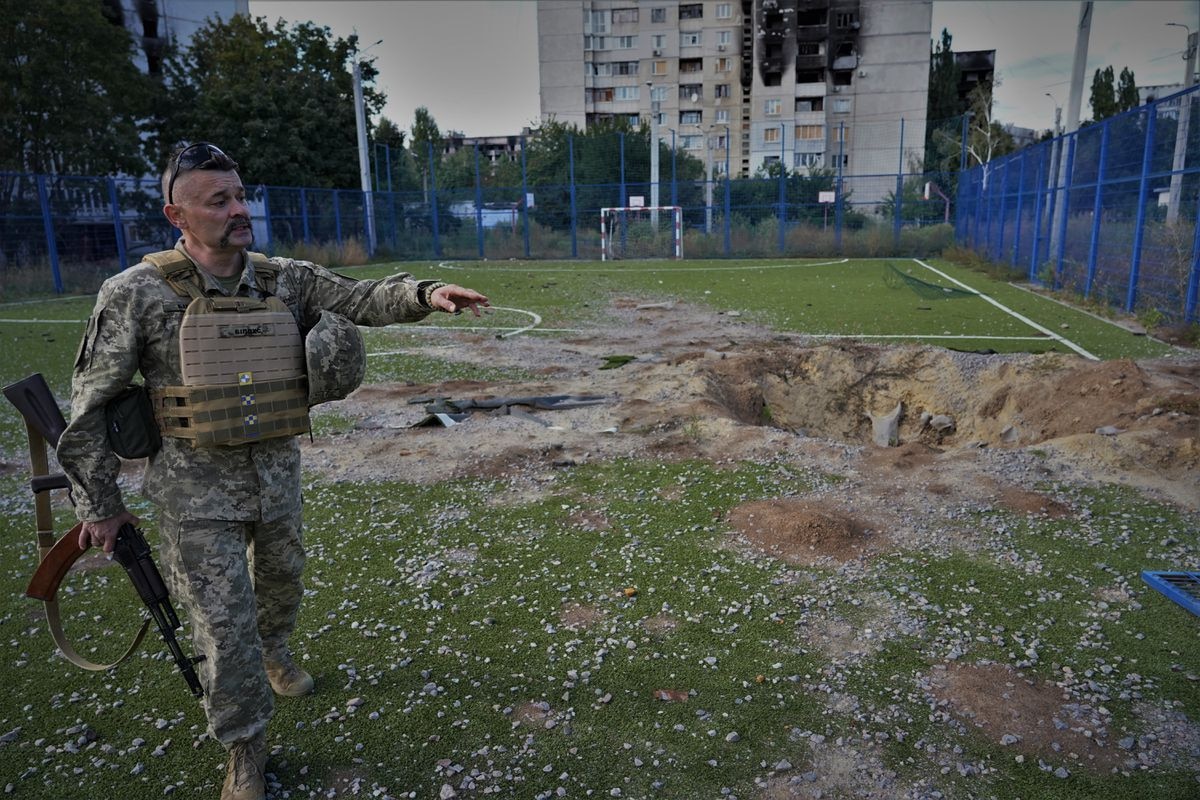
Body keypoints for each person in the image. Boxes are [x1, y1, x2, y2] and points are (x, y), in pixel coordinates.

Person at [55, 142, 489, 800]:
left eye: (240, 196)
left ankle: (275, 650)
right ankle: (245, 749)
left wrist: (427, 293)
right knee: (223, 628)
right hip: (194, 493)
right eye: (219, 201)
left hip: (276, 474)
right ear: (177, 215)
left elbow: (363, 297)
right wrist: (99, 505)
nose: (239, 209)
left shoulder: (283, 279)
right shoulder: (136, 293)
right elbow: (89, 405)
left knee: (281, 586)